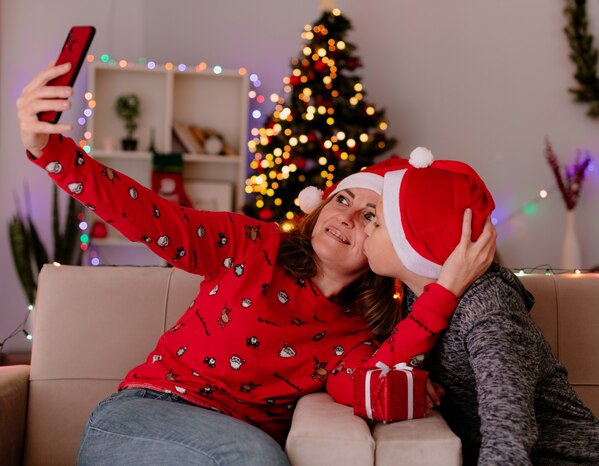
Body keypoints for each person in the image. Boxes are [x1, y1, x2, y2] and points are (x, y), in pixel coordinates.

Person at [17, 63, 496, 466]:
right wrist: (51, 150)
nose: (345, 216)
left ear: (384, 244)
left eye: (370, 216)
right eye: (342, 199)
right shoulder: (250, 244)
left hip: (227, 449)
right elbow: (150, 217)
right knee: (257, 458)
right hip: (139, 419)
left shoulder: (355, 334)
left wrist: (446, 290)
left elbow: (372, 389)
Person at [363, 147, 599, 465]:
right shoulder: (413, 300)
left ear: (413, 243)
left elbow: (509, 428)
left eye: (375, 222)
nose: (365, 228)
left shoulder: (488, 310)